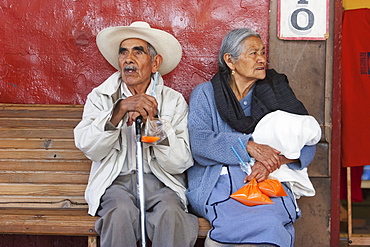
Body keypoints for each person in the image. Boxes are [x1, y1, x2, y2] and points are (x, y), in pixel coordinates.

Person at [186, 28, 317, 247]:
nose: (261, 59)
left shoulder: (276, 93)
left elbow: (307, 144)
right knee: (249, 220)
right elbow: (200, 143)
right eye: (253, 53)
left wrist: (272, 162)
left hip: (267, 180)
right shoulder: (205, 94)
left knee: (271, 219)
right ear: (230, 61)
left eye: (262, 52)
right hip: (218, 181)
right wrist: (249, 147)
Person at [74, 21, 198, 247]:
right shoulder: (101, 97)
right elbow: (90, 148)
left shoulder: (173, 100)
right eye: (123, 52)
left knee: (171, 214)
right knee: (119, 213)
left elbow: (180, 163)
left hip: (161, 182)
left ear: (155, 63)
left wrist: (155, 122)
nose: (128, 59)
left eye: (137, 52)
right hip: (116, 183)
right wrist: (119, 110)